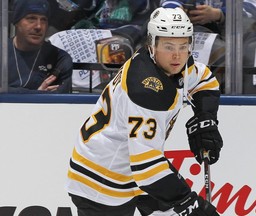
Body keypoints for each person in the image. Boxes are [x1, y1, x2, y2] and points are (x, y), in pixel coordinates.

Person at [66, 7, 223, 216]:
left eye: (183, 46)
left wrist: (206, 119)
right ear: (152, 44)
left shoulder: (176, 64)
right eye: (168, 46)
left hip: (137, 165)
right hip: (101, 178)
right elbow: (147, 169)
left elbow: (204, 79)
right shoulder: (146, 89)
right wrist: (189, 204)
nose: (177, 55)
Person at [8, 0, 73, 93]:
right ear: (17, 22)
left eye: (43, 20)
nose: (38, 26)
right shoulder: (3, 52)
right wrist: (37, 94)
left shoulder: (59, 59)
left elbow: (59, 103)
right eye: (31, 18)